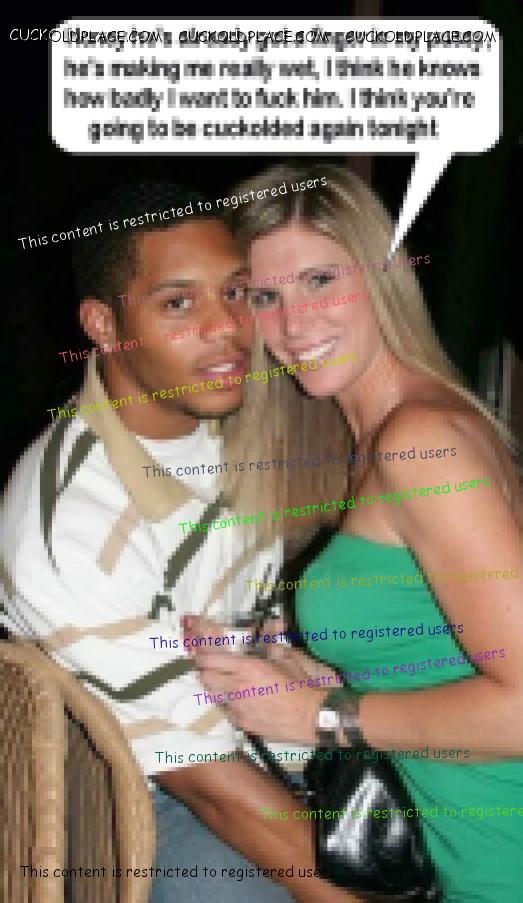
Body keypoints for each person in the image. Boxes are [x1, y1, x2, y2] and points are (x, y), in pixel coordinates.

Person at [1, 181, 358, 903]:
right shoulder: (73, 525)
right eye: (177, 303)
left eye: (235, 293)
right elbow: (210, 784)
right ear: (104, 324)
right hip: (150, 789)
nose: (226, 328)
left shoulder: (230, 430)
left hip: (266, 734)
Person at [193, 163, 523, 902]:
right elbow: (438, 647)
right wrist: (323, 671)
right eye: (266, 296)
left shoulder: (421, 442)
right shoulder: (375, 439)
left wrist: (320, 716)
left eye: (320, 280)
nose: (295, 324)